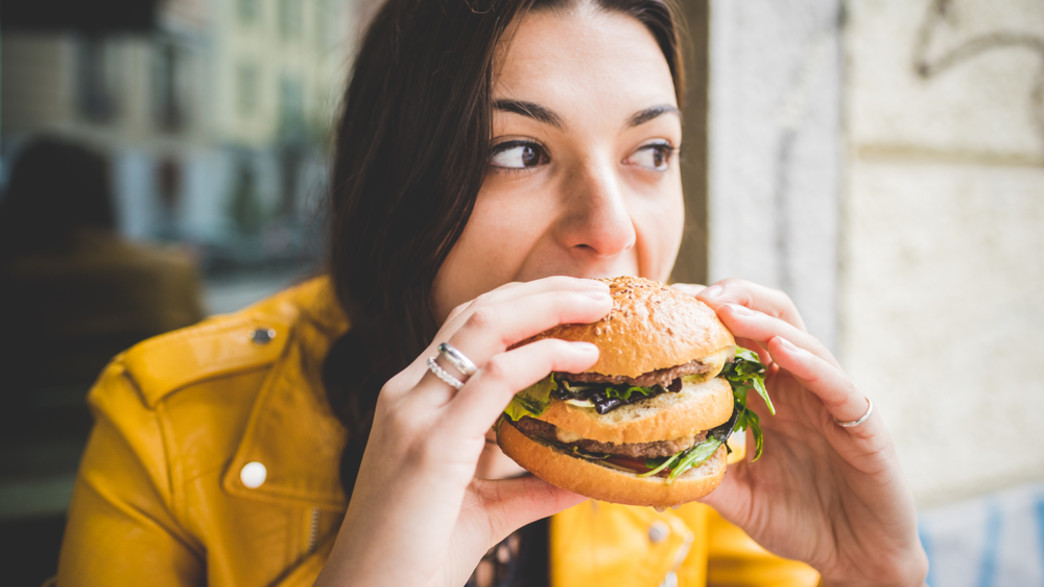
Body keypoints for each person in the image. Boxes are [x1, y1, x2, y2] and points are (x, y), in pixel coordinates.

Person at [56, 0, 929, 585]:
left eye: (651, 153)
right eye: (518, 151)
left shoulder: (697, 451)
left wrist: (869, 575)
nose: (613, 228)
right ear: (400, 177)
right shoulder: (162, 420)